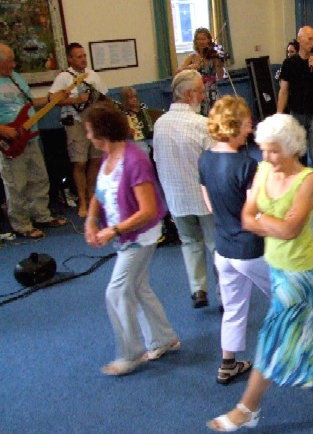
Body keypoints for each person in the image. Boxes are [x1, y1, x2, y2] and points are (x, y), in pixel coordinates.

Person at [207, 113, 313, 432]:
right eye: (263, 149)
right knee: (308, 332)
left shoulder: (309, 179)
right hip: (275, 265)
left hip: (301, 270)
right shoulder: (261, 170)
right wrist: (270, 221)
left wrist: (264, 219)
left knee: (274, 336)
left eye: (274, 150)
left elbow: (290, 230)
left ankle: (247, 408)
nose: (266, 157)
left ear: (291, 148)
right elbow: (245, 218)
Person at [83, 99, 180, 376]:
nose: (88, 137)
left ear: (103, 132)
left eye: (90, 131)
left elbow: (149, 210)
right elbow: (100, 193)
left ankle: (131, 353)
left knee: (117, 290)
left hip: (141, 237)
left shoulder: (135, 159)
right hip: (125, 236)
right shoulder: (108, 156)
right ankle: (164, 338)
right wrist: (91, 219)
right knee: (139, 288)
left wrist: (113, 230)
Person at [199, 96, 271, 385]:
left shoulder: (205, 158)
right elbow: (254, 214)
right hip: (250, 251)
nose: (250, 125)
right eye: (246, 121)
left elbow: (209, 206)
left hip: (224, 250)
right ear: (234, 125)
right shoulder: (247, 165)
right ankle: (301, 356)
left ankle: (228, 364)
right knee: (292, 301)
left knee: (234, 308)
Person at [153, 70, 217, 308]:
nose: (203, 95)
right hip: (205, 198)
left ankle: (198, 290)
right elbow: (216, 162)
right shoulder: (203, 125)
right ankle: (225, 295)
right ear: (189, 94)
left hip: (175, 197)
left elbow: (157, 160)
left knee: (189, 241)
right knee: (216, 245)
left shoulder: (160, 124)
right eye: (200, 91)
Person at [0, 43, 67, 238]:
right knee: (16, 184)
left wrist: (50, 99)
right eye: (10, 61)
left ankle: (41, 215)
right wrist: (3, 129)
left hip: (31, 136)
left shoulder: (16, 78)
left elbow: (30, 103)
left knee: (39, 178)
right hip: (9, 143)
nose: (14, 64)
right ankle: (21, 224)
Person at [277, 26, 313, 208]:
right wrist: (279, 116)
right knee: (298, 156)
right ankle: (303, 193)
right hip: (296, 114)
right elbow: (283, 91)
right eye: (310, 39)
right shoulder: (289, 64)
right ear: (300, 39)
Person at [49, 42, 108, 217]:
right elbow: (53, 99)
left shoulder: (92, 76)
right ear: (70, 58)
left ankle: (91, 196)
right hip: (75, 122)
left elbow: (104, 96)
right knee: (80, 162)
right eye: (79, 56)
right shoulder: (64, 77)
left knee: (96, 159)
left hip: (94, 122)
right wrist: (75, 100)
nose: (83, 59)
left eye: (84, 56)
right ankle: (82, 200)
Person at [178, 27, 225, 116]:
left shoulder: (214, 56)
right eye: (198, 39)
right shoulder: (192, 57)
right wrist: (189, 67)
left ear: (208, 40)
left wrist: (219, 64)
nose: (201, 42)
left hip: (212, 92)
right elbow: (179, 72)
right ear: (195, 41)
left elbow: (221, 76)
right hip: (197, 92)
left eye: (204, 39)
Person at [119, 86, 154, 154]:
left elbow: (149, 121)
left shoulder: (143, 108)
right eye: (131, 98)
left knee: (158, 145)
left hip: (149, 136)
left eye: (135, 96)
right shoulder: (123, 113)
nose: (134, 99)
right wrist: (127, 131)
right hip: (135, 139)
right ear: (125, 100)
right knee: (143, 150)